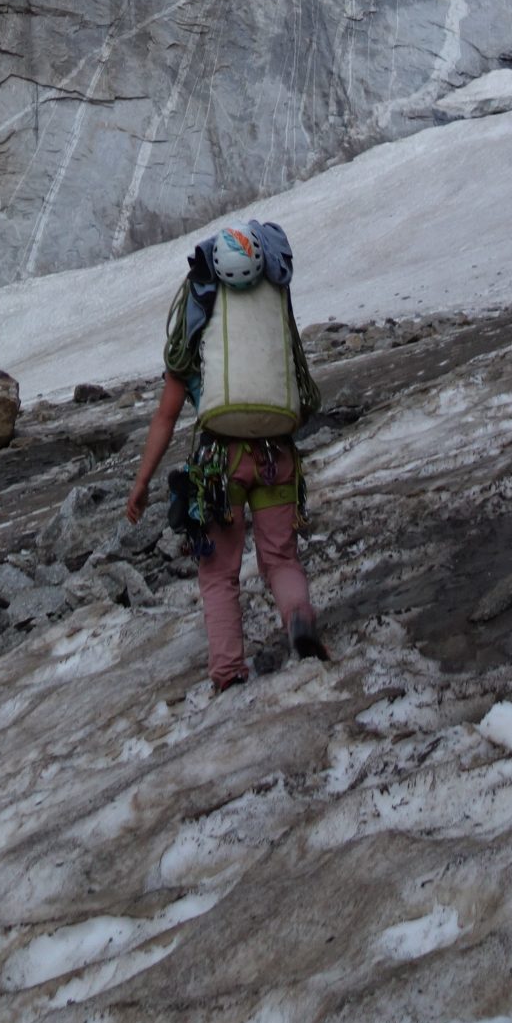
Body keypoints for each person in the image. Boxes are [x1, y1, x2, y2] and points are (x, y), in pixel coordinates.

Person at [126, 218, 328, 691]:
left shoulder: (198, 330)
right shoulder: (271, 306)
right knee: (280, 558)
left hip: (221, 463)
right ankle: (298, 616)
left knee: (219, 574)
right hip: (277, 454)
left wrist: (141, 482)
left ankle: (228, 673)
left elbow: (165, 417)